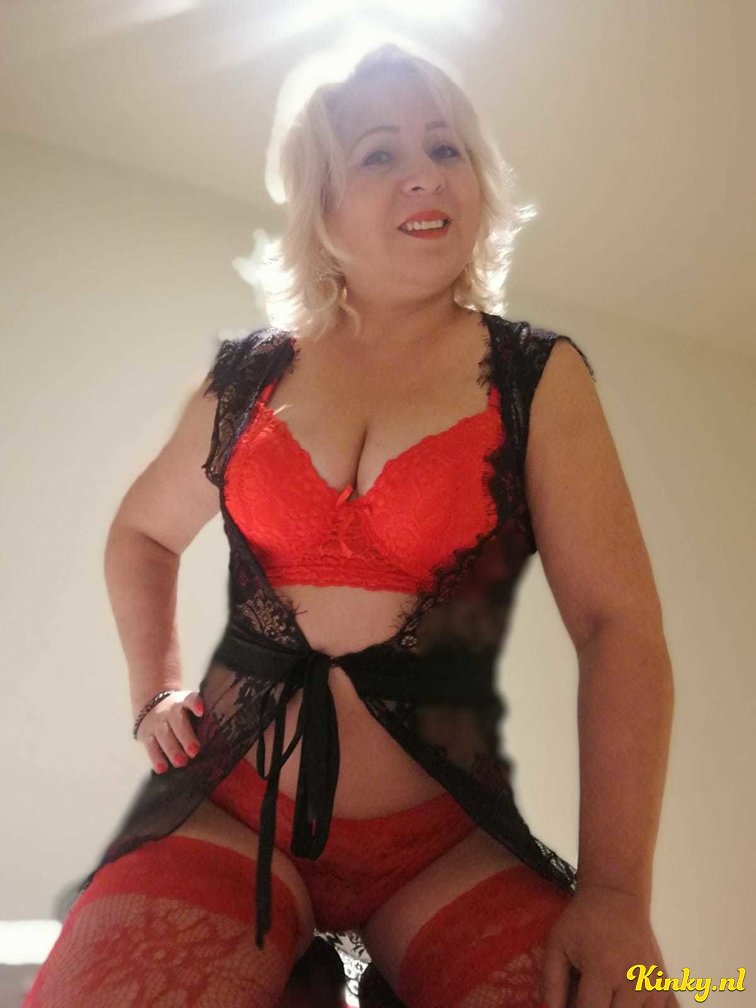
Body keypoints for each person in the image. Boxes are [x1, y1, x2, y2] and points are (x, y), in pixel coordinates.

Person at [24, 44, 678, 1008]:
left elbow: (617, 628)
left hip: (443, 846)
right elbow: (143, 535)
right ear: (320, 208)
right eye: (379, 154)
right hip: (230, 815)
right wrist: (152, 688)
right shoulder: (246, 378)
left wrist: (618, 894)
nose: (425, 173)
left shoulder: (540, 377)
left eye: (446, 147)